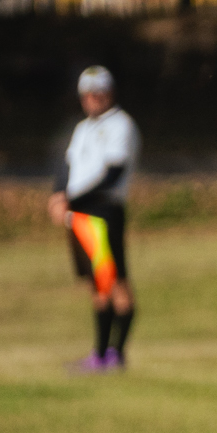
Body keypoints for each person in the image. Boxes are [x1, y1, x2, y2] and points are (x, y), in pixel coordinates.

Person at [47, 66, 138, 373]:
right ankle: (101, 354)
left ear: (109, 92)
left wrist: (72, 198)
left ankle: (113, 354)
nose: (93, 98)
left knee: (113, 281)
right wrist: (58, 194)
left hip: (103, 211)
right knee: (96, 283)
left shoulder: (120, 125)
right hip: (82, 213)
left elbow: (112, 175)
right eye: (87, 93)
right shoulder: (84, 128)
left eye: (98, 92)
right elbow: (68, 164)